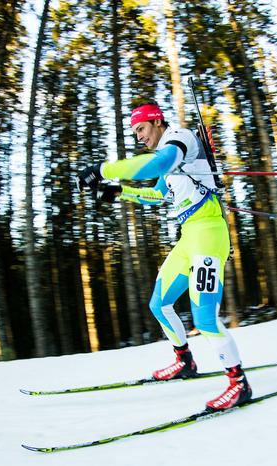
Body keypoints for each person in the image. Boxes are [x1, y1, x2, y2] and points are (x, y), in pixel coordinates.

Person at [77, 101, 251, 411]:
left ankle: (238, 384)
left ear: (157, 122)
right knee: (159, 304)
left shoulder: (179, 139)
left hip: (209, 236)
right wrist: (119, 192)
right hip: (189, 238)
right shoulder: (170, 162)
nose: (139, 136)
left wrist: (102, 170)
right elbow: (157, 194)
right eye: (135, 132)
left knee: (205, 318)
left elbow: (157, 164)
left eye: (141, 129)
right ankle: (185, 361)